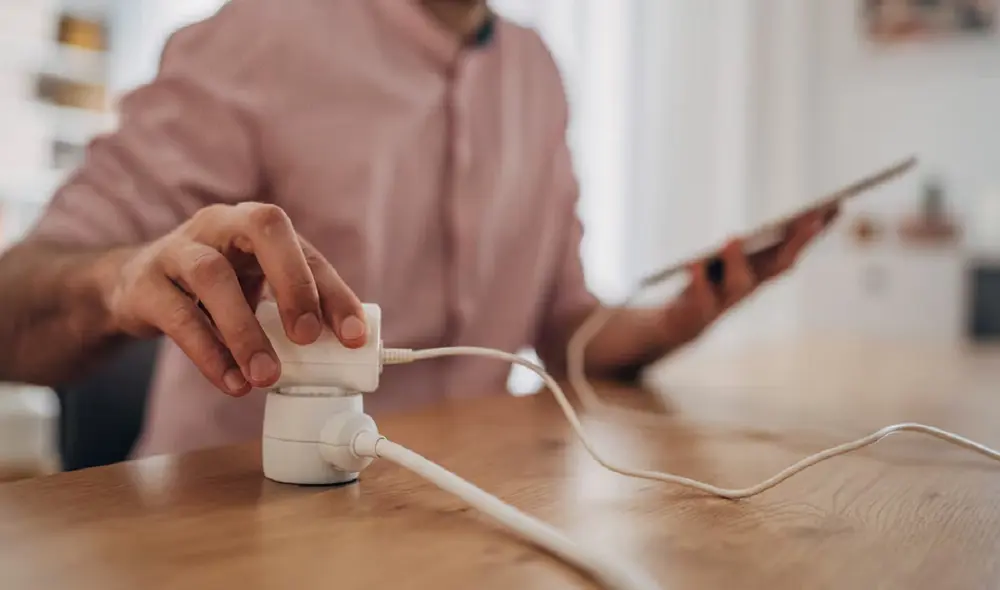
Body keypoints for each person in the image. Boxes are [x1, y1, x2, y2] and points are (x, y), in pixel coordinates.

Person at [0, 0, 833, 458]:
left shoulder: (536, 74)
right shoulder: (261, 35)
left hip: (465, 525)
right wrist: (121, 279)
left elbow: (564, 327)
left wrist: (680, 316)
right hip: (236, 534)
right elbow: (14, 311)